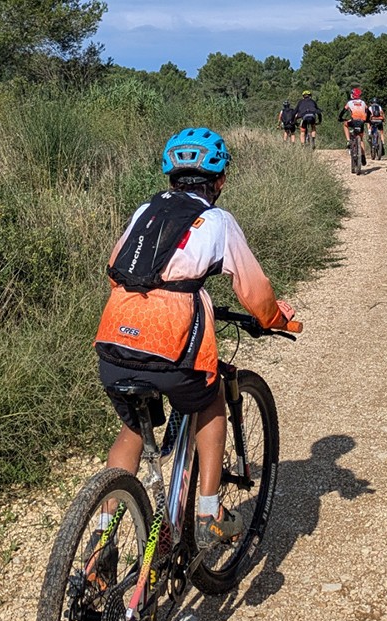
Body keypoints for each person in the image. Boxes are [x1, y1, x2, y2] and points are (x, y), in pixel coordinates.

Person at [94, 127, 296, 548]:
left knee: (134, 427)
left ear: (171, 176)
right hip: (173, 342)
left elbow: (118, 263)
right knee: (210, 400)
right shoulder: (218, 220)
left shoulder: (144, 210)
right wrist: (276, 319)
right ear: (219, 180)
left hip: (114, 337)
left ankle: (98, 548)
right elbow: (255, 293)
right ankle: (208, 510)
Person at [338, 87, 370, 166]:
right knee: (361, 139)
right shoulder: (363, 102)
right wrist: (367, 119)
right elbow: (368, 111)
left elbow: (343, 111)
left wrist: (340, 118)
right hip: (362, 122)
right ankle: (363, 156)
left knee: (345, 124)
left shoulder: (349, 103)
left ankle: (348, 140)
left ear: (352, 95)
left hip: (353, 121)